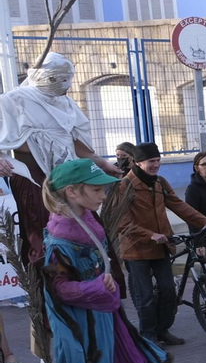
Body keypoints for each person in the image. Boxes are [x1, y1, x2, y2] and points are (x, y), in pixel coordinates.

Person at [41, 159, 177, 363]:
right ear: (72, 192)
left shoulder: (87, 220)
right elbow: (57, 288)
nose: (103, 196)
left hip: (104, 315)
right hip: (81, 325)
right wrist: (95, 288)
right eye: (96, 190)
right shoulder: (61, 238)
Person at [0, 53, 123, 270]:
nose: (63, 86)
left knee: (86, 229)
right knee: (43, 236)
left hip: (69, 177)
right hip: (34, 179)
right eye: (57, 79)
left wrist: (101, 163)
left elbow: (74, 142)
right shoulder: (14, 100)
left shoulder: (65, 103)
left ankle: (93, 280)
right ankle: (51, 286)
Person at [116, 142, 206, 346]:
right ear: (138, 162)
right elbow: (122, 223)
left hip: (161, 246)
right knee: (145, 296)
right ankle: (148, 335)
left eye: (158, 160)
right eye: (151, 161)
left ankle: (163, 330)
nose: (156, 165)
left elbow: (179, 206)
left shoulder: (160, 182)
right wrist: (150, 235)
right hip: (136, 250)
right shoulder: (125, 185)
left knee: (168, 290)